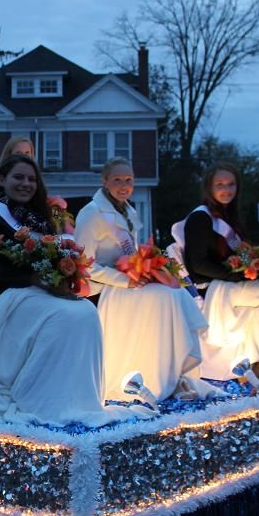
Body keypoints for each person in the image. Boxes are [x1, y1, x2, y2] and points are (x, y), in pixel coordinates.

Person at [0, 155, 146, 427]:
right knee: (63, 316)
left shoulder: (38, 218)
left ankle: (78, 399)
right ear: (2, 180)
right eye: (18, 177)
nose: (25, 184)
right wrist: (32, 277)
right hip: (0, 296)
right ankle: (40, 398)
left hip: (34, 293)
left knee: (84, 309)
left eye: (31, 179)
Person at [74, 157, 208, 402]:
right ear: (104, 181)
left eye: (129, 180)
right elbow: (84, 265)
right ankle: (162, 375)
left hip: (129, 285)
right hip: (104, 289)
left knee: (175, 294)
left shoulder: (128, 210)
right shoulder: (92, 213)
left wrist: (148, 270)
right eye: (117, 180)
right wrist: (126, 281)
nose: (124, 185)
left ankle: (175, 371)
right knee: (165, 298)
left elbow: (132, 254)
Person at [178, 162, 259, 386]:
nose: (226, 189)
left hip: (230, 284)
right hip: (213, 288)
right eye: (220, 184)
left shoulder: (229, 216)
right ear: (209, 187)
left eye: (230, 184)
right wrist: (238, 275)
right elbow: (198, 265)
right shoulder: (200, 218)